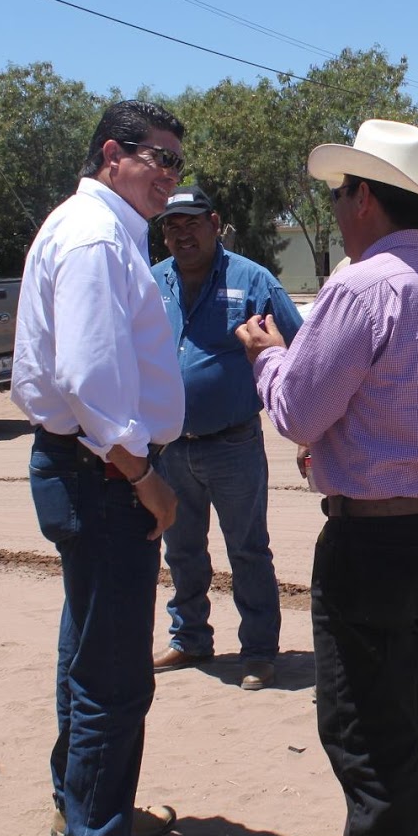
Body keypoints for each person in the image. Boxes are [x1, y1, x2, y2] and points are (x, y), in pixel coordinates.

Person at [236, 119, 418, 836]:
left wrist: (265, 355)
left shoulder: (362, 287)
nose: (340, 208)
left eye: (344, 192)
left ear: (366, 202)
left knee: (373, 742)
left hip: (374, 541)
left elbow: (300, 411)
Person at [12, 100, 198, 836]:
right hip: (104, 474)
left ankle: (84, 810)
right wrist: (144, 477)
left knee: (87, 655)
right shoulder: (93, 237)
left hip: (93, 470)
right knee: (114, 678)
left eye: (176, 164)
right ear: (111, 154)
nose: (167, 175)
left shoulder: (104, 230)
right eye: (155, 157)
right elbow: (91, 383)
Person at [149, 184, 302, 692]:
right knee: (181, 549)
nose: (182, 233)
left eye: (192, 222)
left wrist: (307, 430)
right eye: (172, 225)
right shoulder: (153, 282)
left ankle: (258, 652)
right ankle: (190, 637)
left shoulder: (252, 279)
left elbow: (301, 348)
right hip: (170, 446)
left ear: (215, 224)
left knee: (248, 550)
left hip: (233, 443)